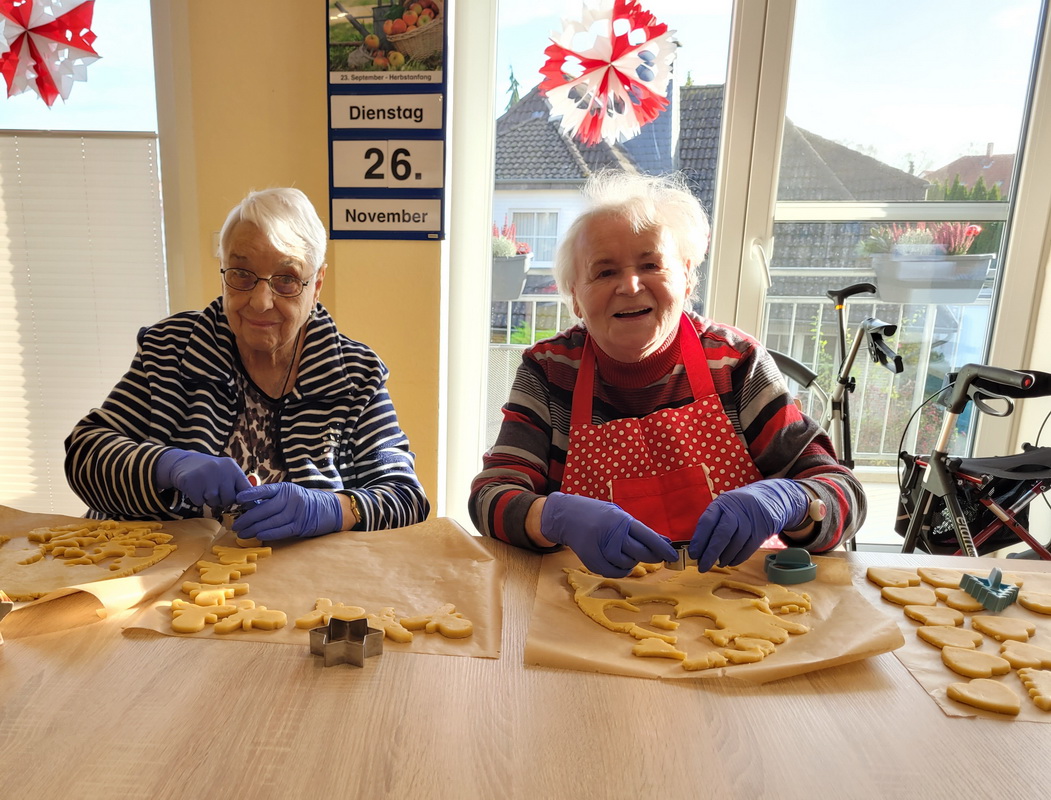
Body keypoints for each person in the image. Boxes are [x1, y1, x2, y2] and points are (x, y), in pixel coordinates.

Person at [469, 171, 865, 577]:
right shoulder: (550, 371)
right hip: (588, 607)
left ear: (688, 276)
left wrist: (792, 502)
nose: (630, 284)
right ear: (574, 296)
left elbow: (844, 494)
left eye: (651, 264)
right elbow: (490, 497)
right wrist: (549, 516)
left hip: (737, 615)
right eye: (604, 272)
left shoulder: (736, 363)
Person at [65, 187, 429, 541]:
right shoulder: (171, 349)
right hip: (153, 579)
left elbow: (406, 496)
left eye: (286, 279)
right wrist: (166, 465)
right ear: (223, 272)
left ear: (316, 284)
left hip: (299, 591)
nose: (260, 301)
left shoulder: (354, 374)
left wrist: (335, 508)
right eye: (241, 274)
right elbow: (85, 454)